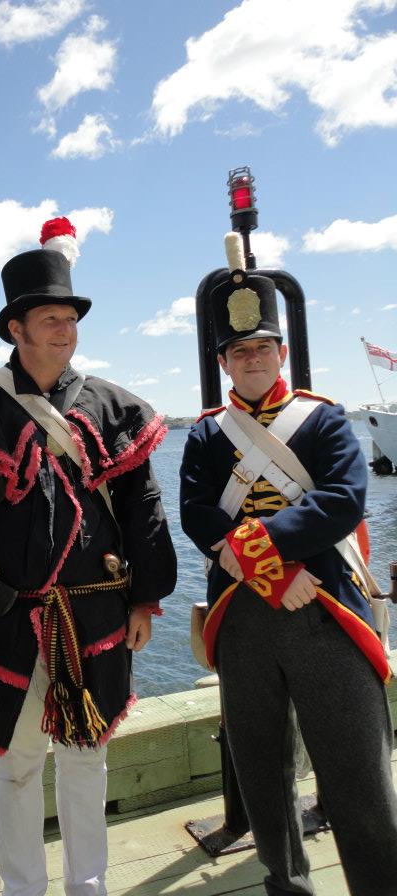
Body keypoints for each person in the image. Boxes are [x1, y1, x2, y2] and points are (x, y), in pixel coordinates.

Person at [0, 217, 177, 896]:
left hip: (96, 620)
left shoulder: (114, 409)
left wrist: (147, 595)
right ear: (15, 330)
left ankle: (89, 888)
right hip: (5, 623)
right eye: (48, 319)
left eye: (69, 318)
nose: (63, 330)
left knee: (88, 762)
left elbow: (143, 512)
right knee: (17, 766)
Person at [180, 263, 397, 895]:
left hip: (326, 604)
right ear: (225, 361)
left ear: (282, 353)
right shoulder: (204, 434)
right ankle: (287, 884)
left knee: (357, 771)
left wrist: (260, 552)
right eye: (239, 349)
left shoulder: (325, 420)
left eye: (262, 347)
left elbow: (341, 501)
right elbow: (196, 512)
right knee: (263, 770)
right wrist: (274, 576)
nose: (251, 358)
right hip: (245, 617)